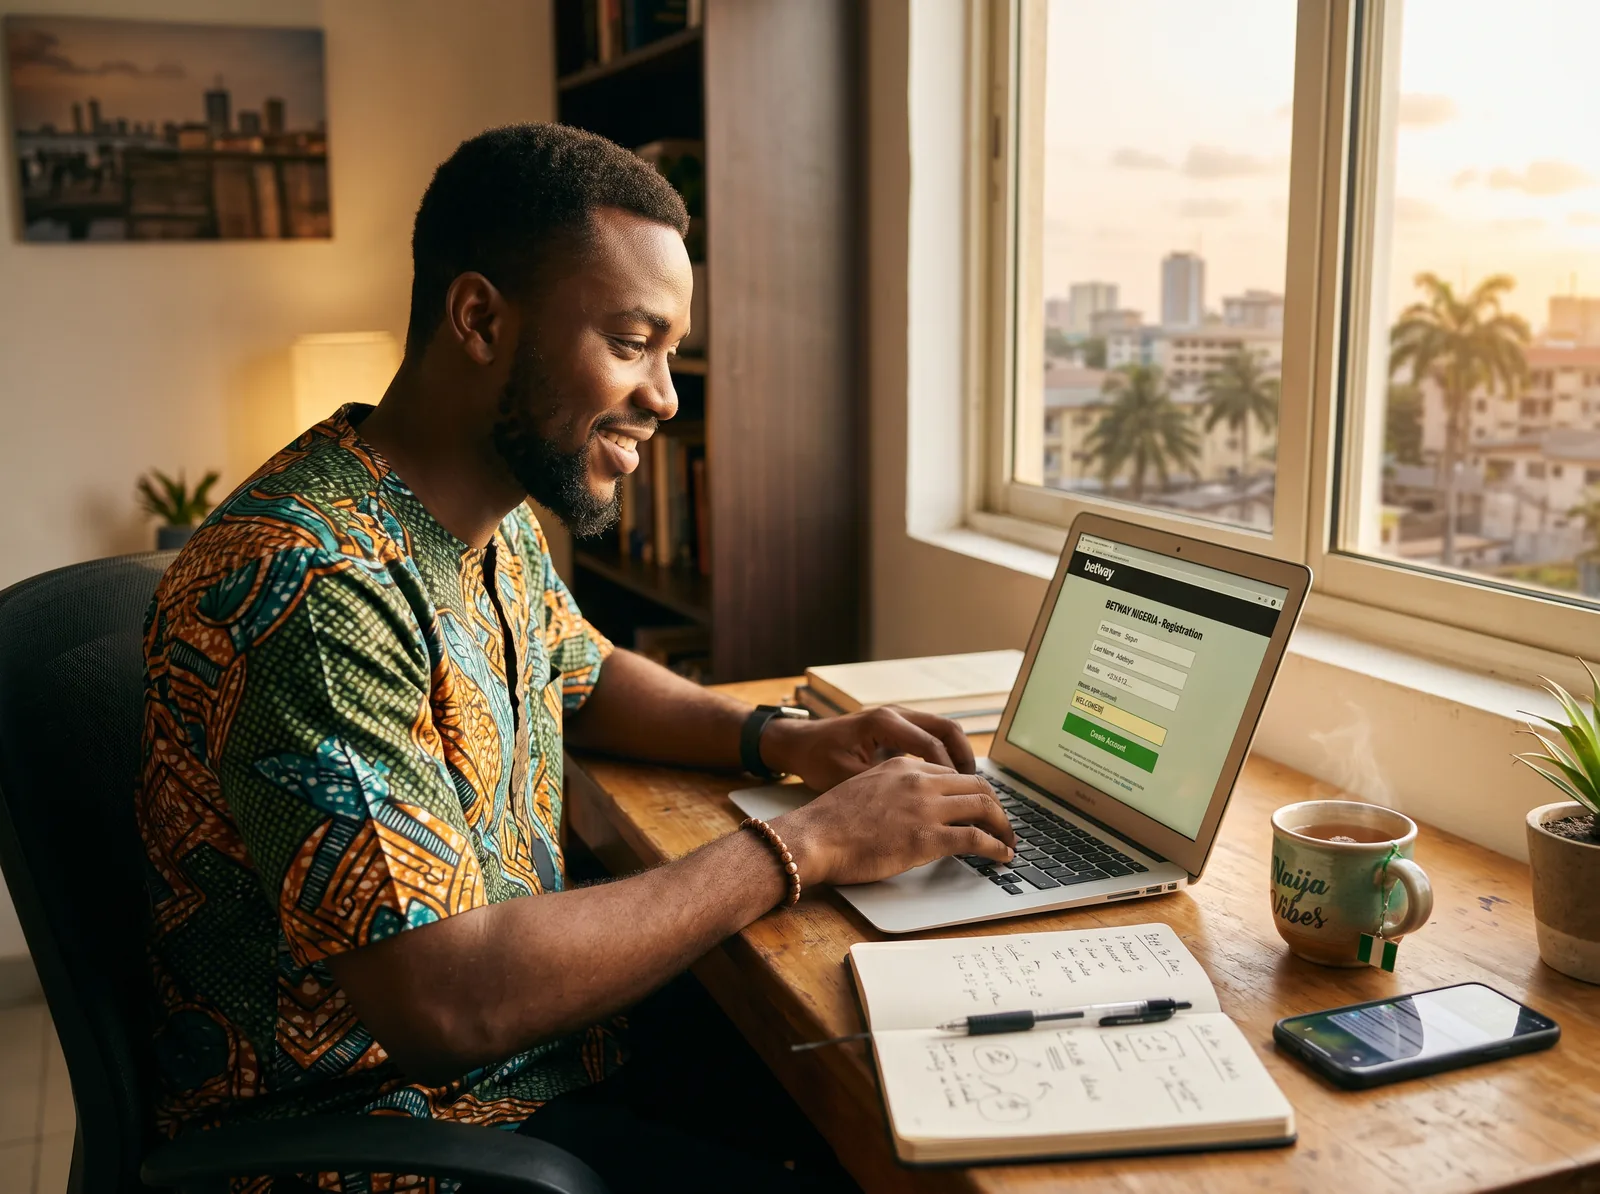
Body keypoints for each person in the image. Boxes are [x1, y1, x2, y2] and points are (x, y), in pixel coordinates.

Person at [135, 123, 1016, 1194]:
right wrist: (809, 846)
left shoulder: (476, 513)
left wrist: (791, 739)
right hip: (388, 1135)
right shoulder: (314, 588)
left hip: (547, 1061)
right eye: (632, 342)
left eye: (669, 352)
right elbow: (447, 1005)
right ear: (478, 320)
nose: (666, 397)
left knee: (899, 1087)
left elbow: (582, 672)